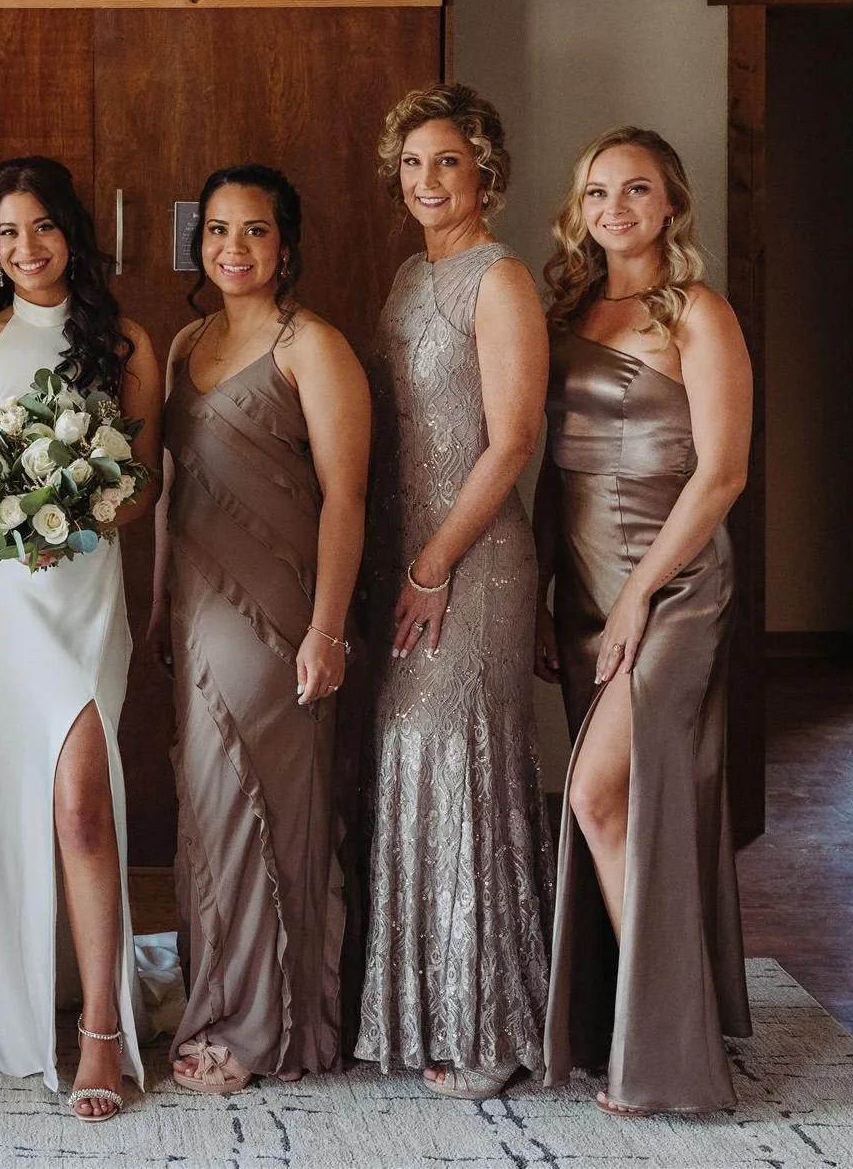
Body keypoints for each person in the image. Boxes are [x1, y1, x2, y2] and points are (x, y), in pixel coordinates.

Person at [0, 157, 162, 1123]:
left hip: (83, 598)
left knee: (81, 801)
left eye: (43, 227)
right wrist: (8, 517)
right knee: (11, 801)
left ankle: (101, 1029)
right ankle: (23, 995)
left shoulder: (126, 342)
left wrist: (86, 498)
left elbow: (143, 480)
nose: (26, 249)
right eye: (7, 234)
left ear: (73, 232)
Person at [535, 127, 752, 1115]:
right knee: (621, 807)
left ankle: (665, 1044)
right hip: (583, 586)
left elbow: (721, 474)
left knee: (598, 796)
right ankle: (661, 1026)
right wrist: (554, 590)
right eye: (596, 192)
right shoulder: (566, 306)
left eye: (634, 190)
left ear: (670, 204)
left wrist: (635, 595)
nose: (613, 208)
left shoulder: (697, 314)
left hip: (672, 584)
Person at [353, 83, 555, 1099]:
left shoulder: (500, 278)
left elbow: (511, 440)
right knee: (408, 763)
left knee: (461, 763)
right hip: (406, 557)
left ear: (483, 171)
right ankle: (423, 1007)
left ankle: (494, 1025)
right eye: (412, 164)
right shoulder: (402, 277)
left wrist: (434, 563)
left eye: (446, 162)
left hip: (472, 563)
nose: (426, 181)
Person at [149, 165, 369, 1092]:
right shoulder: (183, 341)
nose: (233, 249)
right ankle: (221, 996)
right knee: (206, 812)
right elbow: (170, 490)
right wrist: (159, 598)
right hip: (194, 610)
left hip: (278, 614)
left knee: (259, 810)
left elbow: (346, 497)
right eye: (219, 231)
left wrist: (327, 628)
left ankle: (268, 1026)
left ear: (287, 244)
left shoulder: (313, 346)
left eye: (255, 231)